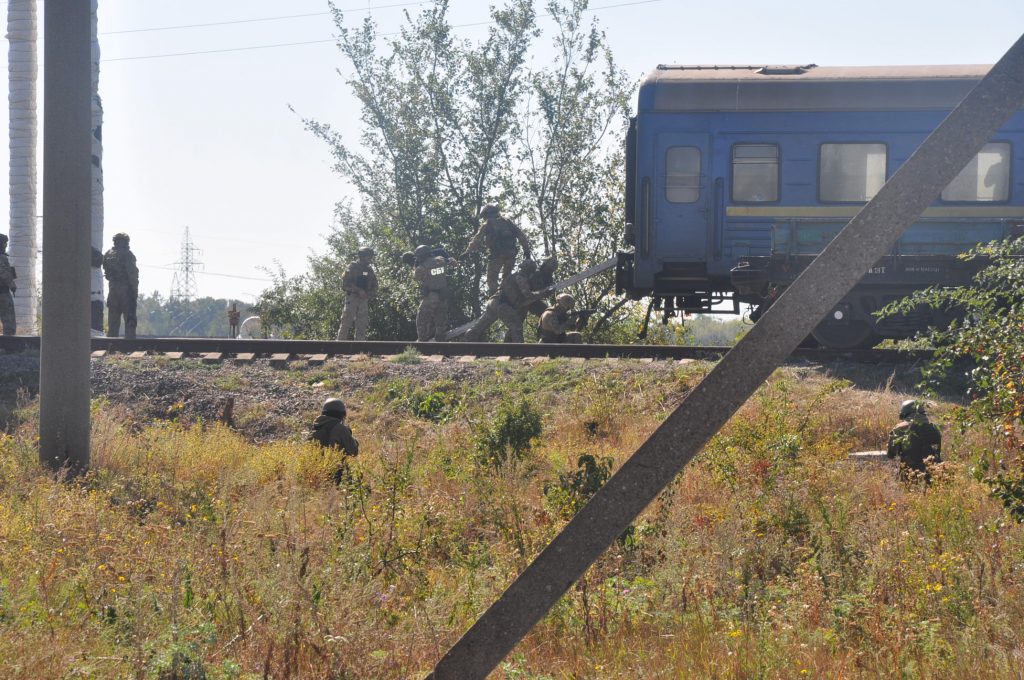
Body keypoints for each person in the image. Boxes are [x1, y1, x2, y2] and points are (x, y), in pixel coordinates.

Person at [465, 259, 546, 343]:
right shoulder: (521, 278)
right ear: (530, 271)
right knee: (516, 325)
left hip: (495, 302)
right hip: (502, 304)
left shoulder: (514, 276)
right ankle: (519, 350)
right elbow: (528, 294)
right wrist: (542, 293)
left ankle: (468, 341)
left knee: (481, 325)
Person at [464, 204, 532, 295]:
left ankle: (494, 300)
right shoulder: (507, 222)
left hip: (497, 255)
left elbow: (477, 239)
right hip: (511, 254)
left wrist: (467, 251)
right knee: (506, 279)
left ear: (487, 214)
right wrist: (526, 251)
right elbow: (521, 235)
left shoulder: (488, 224)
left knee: (492, 280)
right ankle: (505, 297)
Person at [887, 400, 942, 481]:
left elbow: (891, 454)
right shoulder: (934, 429)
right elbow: (937, 453)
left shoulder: (899, 429)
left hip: (909, 475)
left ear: (905, 413)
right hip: (933, 475)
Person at [307, 398, 359, 484]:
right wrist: (350, 436)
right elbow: (354, 451)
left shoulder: (316, 427)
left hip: (313, 473)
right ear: (341, 414)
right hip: (334, 474)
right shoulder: (340, 429)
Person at [413, 244, 456, 342]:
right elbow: (453, 262)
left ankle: (422, 341)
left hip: (431, 296)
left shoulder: (421, 267)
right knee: (440, 321)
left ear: (422, 256)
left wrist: (414, 267)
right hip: (443, 296)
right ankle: (440, 342)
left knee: (421, 319)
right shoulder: (440, 260)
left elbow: (415, 278)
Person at [336, 246, 379, 341]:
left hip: (364, 299)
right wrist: (358, 290)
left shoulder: (369, 270)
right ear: (362, 256)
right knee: (346, 323)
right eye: (369, 256)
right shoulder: (352, 267)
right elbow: (345, 284)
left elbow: (375, 286)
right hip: (352, 298)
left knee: (362, 325)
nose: (371, 258)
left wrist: (368, 294)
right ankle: (338, 345)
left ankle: (359, 348)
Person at [102, 232, 139, 339]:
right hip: (126, 290)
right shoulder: (128, 254)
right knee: (130, 318)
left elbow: (107, 273)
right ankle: (130, 344)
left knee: (113, 319)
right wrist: (134, 292)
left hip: (112, 289)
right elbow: (133, 274)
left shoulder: (108, 254)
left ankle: (111, 345)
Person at [0, 233, 16, 335]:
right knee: (9, 320)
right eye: (5, 243)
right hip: (2, 292)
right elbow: (3, 272)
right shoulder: (1, 257)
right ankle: (9, 347)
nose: (6, 245)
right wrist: (12, 284)